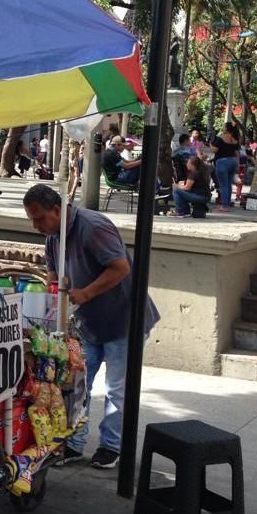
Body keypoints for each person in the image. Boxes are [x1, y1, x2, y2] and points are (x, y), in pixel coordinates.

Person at [22, 184, 159, 469]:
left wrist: (86, 293)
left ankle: (111, 445)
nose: (36, 225)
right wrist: (53, 286)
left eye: (39, 218)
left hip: (123, 318)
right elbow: (52, 267)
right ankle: (73, 442)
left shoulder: (93, 227)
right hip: (88, 322)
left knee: (116, 388)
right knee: (77, 384)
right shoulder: (53, 236)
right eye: (31, 219)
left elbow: (120, 268)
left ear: (58, 210)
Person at [211, 122, 240, 210]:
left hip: (222, 162)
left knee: (223, 184)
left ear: (227, 128)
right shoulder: (235, 139)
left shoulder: (221, 138)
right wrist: (238, 164)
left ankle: (225, 205)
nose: (223, 128)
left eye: (224, 127)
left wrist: (210, 145)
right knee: (228, 184)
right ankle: (227, 203)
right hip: (233, 161)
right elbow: (236, 152)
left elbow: (214, 150)